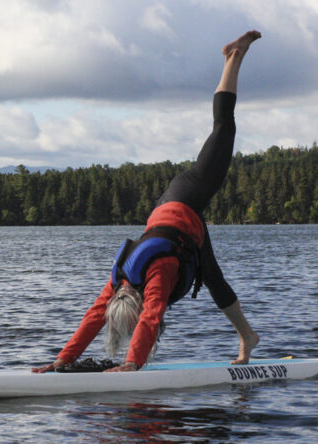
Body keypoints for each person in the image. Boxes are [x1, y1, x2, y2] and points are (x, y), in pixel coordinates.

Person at [33, 31, 262, 373]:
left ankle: (234, 57)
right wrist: (62, 360)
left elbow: (152, 316)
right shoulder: (119, 280)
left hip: (188, 195)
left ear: (136, 303)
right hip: (179, 221)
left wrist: (131, 364)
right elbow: (95, 316)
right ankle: (248, 337)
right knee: (211, 277)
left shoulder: (158, 273)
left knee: (223, 129)